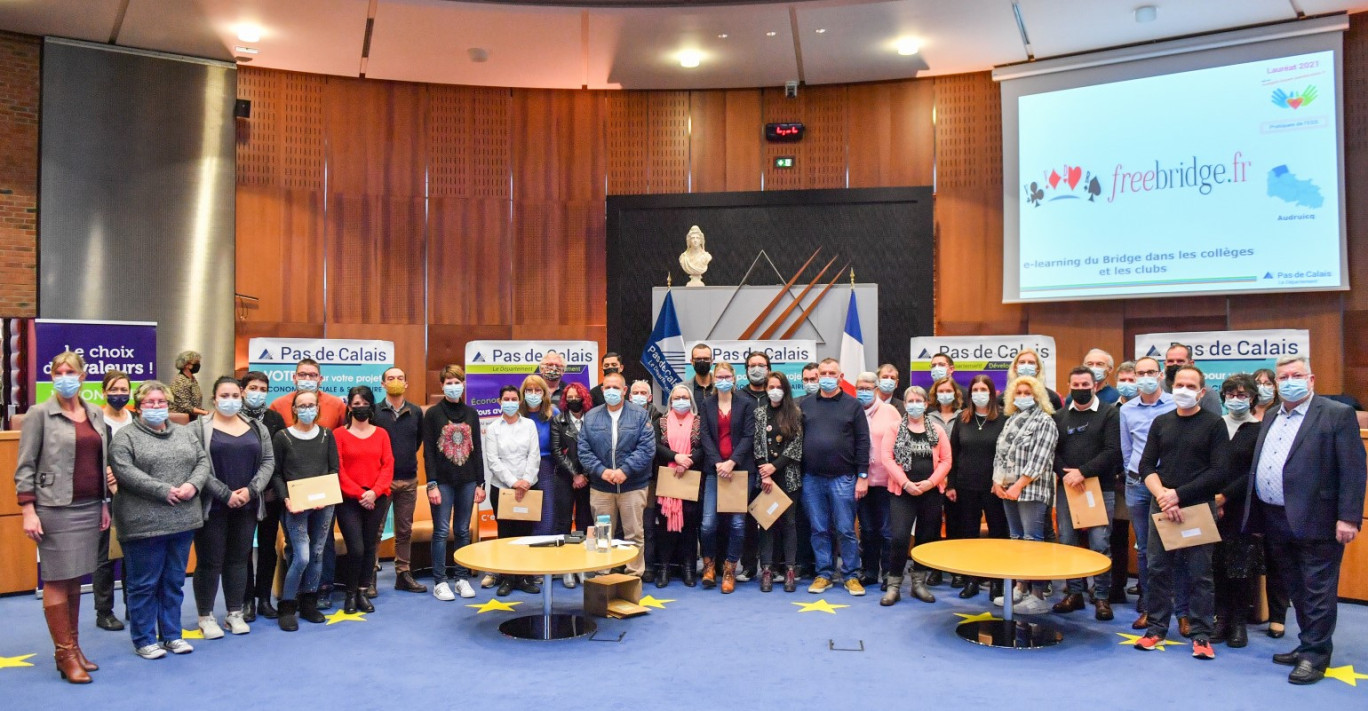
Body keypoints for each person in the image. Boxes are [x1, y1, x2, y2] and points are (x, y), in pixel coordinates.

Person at [1246, 355, 1365, 684]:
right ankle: (1306, 644)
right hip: (1276, 517)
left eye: (1295, 375)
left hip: (1319, 519)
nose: (1288, 382)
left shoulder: (1336, 414)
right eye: (1282, 377)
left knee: (1317, 591)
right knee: (1296, 588)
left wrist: (1349, 518)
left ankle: (1315, 655)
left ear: (1311, 380)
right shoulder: (1271, 416)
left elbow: (1354, 470)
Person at [14, 352, 110, 681]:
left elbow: (100, 462)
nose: (64, 376)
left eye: (71, 371)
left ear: (83, 377)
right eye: (58, 371)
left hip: (88, 507)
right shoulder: (39, 414)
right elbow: (25, 466)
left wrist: (103, 503)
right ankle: (64, 653)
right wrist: (28, 510)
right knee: (56, 579)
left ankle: (74, 646)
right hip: (53, 508)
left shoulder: (95, 413)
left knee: (74, 580)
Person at [1134, 365, 1231, 659]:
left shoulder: (1215, 424)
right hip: (1161, 505)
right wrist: (1163, 495)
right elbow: (1146, 466)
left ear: (1202, 392)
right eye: (1180, 385)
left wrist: (1178, 495)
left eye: (1191, 386)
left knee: (1200, 574)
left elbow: (1219, 471)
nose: (1184, 390)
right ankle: (1155, 629)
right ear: (1171, 386)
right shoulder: (1161, 422)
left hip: (1197, 507)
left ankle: (1201, 635)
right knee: (1158, 569)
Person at [110, 380, 210, 660]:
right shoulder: (125, 437)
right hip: (143, 523)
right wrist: (163, 490)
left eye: (161, 402)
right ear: (139, 406)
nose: (156, 407)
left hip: (183, 519)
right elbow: (125, 472)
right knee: (144, 584)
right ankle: (143, 638)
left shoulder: (185, 433)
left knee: (174, 581)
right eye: (150, 403)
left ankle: (172, 635)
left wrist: (193, 485)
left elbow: (202, 462)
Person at [192, 377, 275, 638]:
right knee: (210, 561)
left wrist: (251, 491)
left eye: (234, 396)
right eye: (224, 396)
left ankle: (234, 613)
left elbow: (268, 461)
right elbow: (196, 465)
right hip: (212, 506)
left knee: (239, 560)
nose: (230, 401)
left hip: (247, 506)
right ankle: (206, 616)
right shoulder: (198, 428)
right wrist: (225, 494)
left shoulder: (256, 427)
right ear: (214, 398)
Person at [1051, 366, 1121, 620]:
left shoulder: (1109, 414)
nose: (1081, 389)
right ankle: (1074, 594)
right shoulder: (1059, 416)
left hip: (1099, 488)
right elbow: (1053, 452)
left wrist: (1083, 472)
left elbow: (1113, 450)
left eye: (1085, 385)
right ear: (1069, 386)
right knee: (1068, 543)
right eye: (1076, 385)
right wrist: (1067, 474)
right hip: (1067, 488)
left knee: (1100, 544)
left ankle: (1101, 597)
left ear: (1095, 386)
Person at [799, 358, 870, 596]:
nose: (827, 376)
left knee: (845, 529)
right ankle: (824, 574)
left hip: (844, 478)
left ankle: (850, 575)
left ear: (841, 377)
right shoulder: (806, 405)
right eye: (823, 372)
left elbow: (863, 442)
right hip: (812, 478)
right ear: (817, 376)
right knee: (819, 529)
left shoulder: (853, 405)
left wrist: (862, 475)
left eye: (832, 373)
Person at [271, 389, 340, 631]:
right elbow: (277, 473)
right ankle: (288, 606)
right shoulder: (282, 437)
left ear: (318, 408)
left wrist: (326, 496)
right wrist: (286, 498)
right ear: (294, 409)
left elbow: (333, 470)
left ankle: (309, 602)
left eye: (312, 404)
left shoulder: (326, 435)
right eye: (302, 405)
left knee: (318, 553)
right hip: (296, 506)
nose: (307, 409)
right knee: (301, 556)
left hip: (323, 505)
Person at [1119, 356, 1177, 632]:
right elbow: (1127, 449)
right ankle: (1148, 605)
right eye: (1140, 373)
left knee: (1174, 546)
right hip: (1137, 484)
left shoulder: (1176, 404)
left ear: (1160, 374)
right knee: (1144, 548)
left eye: (1150, 372)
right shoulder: (1127, 410)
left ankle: (1182, 609)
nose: (1145, 377)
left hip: (1169, 487)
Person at [578, 372, 656, 577]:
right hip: (601, 488)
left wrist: (625, 470)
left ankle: (633, 575)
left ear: (624, 390)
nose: (611, 391)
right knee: (602, 534)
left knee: (634, 534)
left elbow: (647, 449)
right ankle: (603, 574)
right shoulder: (592, 416)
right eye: (607, 387)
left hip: (633, 486)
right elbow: (583, 450)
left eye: (616, 387)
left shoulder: (640, 415)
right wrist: (601, 471)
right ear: (602, 390)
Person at [991, 375, 1058, 614]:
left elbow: (1040, 459)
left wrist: (1018, 485)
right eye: (1018, 393)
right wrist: (997, 481)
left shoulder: (1045, 421)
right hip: (1008, 490)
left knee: (1032, 541)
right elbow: (1000, 453)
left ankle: (1038, 594)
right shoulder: (1011, 420)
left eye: (1027, 393)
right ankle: (1019, 588)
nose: (1022, 397)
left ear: (1038, 396)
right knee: (1016, 538)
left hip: (1031, 490)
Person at [879, 386, 951, 606]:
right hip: (903, 492)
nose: (915, 404)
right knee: (900, 537)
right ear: (905, 404)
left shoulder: (937, 430)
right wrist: (906, 483)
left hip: (931, 492)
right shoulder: (894, 428)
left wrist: (931, 482)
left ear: (926, 404)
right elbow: (887, 458)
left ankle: (919, 583)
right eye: (910, 400)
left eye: (919, 400)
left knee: (925, 538)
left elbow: (947, 460)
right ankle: (894, 585)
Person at [423, 365, 486, 600]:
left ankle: (461, 578)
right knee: (441, 531)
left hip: (468, 480)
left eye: (457, 381)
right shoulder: (432, 414)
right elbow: (428, 451)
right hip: (442, 482)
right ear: (441, 385)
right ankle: (440, 581)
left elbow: (477, 449)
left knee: (462, 530)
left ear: (464, 384)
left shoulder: (472, 413)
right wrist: (431, 484)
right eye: (448, 382)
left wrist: (481, 483)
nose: (453, 386)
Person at [946, 375, 1009, 600]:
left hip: (995, 488)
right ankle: (971, 580)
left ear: (992, 393)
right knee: (969, 535)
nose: (979, 393)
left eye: (984, 388)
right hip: (965, 486)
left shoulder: (1004, 419)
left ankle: (997, 583)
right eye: (975, 389)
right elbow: (953, 453)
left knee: (998, 535)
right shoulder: (962, 419)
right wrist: (951, 484)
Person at [1211, 374, 1262, 649]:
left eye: (1242, 395)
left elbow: (1253, 472)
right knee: (1216, 563)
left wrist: (1225, 497)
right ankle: (1221, 619)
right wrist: (1213, 498)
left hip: (1241, 507)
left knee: (1239, 567)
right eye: (1230, 394)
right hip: (1211, 505)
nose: (1236, 400)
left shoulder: (1259, 429)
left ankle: (1239, 623)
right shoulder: (1216, 425)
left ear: (1252, 398)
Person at [334, 386, 393, 614]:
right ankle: (349, 594)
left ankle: (362, 591)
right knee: (355, 549)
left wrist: (375, 492)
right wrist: (360, 494)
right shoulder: (339, 434)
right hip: (349, 500)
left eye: (364, 403)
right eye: (356, 404)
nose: (360, 408)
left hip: (376, 498)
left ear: (372, 406)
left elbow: (388, 465)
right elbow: (338, 469)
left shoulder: (381, 434)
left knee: (370, 548)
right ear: (349, 407)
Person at [699, 362, 756, 592]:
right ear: (714, 379)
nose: (723, 379)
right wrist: (718, 462)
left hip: (741, 471)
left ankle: (730, 569)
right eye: (719, 376)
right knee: (707, 523)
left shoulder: (746, 403)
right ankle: (709, 566)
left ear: (734, 379)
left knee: (738, 523)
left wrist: (732, 462)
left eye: (727, 376)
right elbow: (704, 435)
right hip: (715, 470)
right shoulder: (706, 403)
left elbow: (748, 436)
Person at [485, 385, 543, 596]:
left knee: (525, 534)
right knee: (506, 534)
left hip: (529, 487)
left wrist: (526, 481)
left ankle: (525, 578)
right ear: (499, 402)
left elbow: (534, 455)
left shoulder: (528, 425)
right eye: (505, 398)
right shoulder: (493, 428)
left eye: (513, 398)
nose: (509, 402)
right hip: (502, 489)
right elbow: (493, 460)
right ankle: (508, 579)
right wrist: (513, 483)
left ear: (519, 401)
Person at [239, 371, 288, 621]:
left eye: (262, 388)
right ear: (242, 390)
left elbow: (280, 458)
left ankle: (264, 599)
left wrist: (274, 490)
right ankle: (246, 600)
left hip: (269, 495)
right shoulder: (233, 418)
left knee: (268, 549)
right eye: (253, 387)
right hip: (242, 496)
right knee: (244, 549)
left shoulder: (275, 418)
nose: (257, 392)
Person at [374, 367, 426, 594]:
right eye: (390, 378)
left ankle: (403, 574)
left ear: (406, 384)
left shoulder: (416, 412)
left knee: (404, 530)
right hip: (380, 482)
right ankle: (370, 575)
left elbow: (416, 443)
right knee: (374, 530)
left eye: (400, 378)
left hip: (408, 479)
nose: (395, 381)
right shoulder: (374, 412)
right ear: (383, 384)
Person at [755, 372, 804, 593]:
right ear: (765, 388)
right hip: (766, 478)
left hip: (788, 476)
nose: (774, 390)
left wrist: (776, 466)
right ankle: (766, 569)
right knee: (767, 523)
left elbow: (796, 446)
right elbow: (756, 444)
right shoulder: (759, 413)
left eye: (779, 386)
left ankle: (790, 570)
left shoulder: (795, 413)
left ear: (785, 389)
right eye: (771, 386)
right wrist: (765, 472)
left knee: (789, 524)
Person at [1251, 366, 1289, 638]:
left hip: (1277, 500)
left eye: (1268, 382)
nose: (1264, 387)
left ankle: (1277, 615)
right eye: (1258, 383)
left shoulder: (1281, 417)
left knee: (1277, 558)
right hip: (1245, 498)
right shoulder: (1241, 414)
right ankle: (1245, 609)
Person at [652, 383, 702, 588]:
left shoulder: (699, 422)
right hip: (667, 478)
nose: (680, 401)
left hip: (691, 477)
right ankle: (664, 568)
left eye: (684, 397)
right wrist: (676, 457)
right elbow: (654, 446)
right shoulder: (660, 421)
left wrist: (689, 461)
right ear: (670, 401)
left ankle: (689, 569)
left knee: (690, 526)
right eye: (676, 398)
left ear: (690, 401)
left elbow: (705, 446)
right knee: (665, 527)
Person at [94, 370, 133, 632]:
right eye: (114, 389)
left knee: (134, 555)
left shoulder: (136, 418)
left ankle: (134, 604)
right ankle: (104, 611)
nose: (119, 394)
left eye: (123, 389)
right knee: (106, 557)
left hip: (135, 496)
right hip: (106, 497)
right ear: (103, 391)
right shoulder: (95, 420)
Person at [856, 372, 898, 588]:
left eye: (867, 388)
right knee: (868, 530)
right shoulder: (853, 411)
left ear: (876, 389)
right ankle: (870, 571)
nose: (863, 392)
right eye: (859, 388)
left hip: (887, 482)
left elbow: (900, 445)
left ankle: (889, 574)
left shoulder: (890, 412)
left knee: (887, 531)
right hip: (861, 483)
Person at [551, 382, 594, 588]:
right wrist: (575, 475)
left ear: (584, 398)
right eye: (569, 397)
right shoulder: (558, 420)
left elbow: (597, 449)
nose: (573, 400)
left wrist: (584, 474)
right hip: (565, 478)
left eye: (577, 396)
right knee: (564, 522)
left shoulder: (593, 419)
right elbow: (557, 451)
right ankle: (567, 567)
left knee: (585, 522)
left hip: (589, 478)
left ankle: (582, 566)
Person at [925, 375, 962, 587]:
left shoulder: (964, 416)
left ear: (956, 394)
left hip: (956, 481)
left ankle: (956, 570)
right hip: (933, 480)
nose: (945, 394)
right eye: (941, 391)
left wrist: (952, 482)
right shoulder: (928, 418)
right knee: (932, 526)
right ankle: (935, 569)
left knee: (956, 526)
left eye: (949, 390)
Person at [1109, 360, 1139, 603]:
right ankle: (1116, 588)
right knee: (1117, 537)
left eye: (1132, 379)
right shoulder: (1111, 410)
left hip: (1144, 483)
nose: (1127, 384)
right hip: (1117, 484)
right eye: (1124, 379)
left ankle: (1146, 593)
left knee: (1146, 539)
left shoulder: (1154, 410)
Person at [629, 378, 663, 580]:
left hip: (650, 479)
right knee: (625, 527)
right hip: (625, 479)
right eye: (636, 393)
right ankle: (626, 564)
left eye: (643, 393)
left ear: (650, 397)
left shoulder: (659, 418)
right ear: (629, 396)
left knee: (647, 525)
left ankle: (648, 565)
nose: (639, 396)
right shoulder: (621, 416)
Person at [520, 374, 559, 537]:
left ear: (544, 393)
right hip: (520, 467)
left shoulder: (553, 413)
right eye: (529, 390)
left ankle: (543, 556)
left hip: (545, 466)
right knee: (522, 512)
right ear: (523, 393)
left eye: (538, 390)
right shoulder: (516, 413)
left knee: (546, 514)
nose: (533, 394)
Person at [269, 358, 347, 430]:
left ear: (320, 379)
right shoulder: (278, 405)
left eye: (312, 375)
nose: (307, 379)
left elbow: (345, 435)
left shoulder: (337, 405)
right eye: (302, 374)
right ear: (294, 378)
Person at [1163, 343, 1222, 413]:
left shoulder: (1207, 394)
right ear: (1165, 364)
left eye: (1180, 361)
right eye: (1170, 361)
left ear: (1191, 363)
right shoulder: (1158, 389)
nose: (1175, 364)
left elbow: (1215, 421)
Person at [169, 349, 207, 418]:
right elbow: (185, 406)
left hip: (192, 417)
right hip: (182, 420)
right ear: (187, 365)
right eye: (196, 362)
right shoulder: (179, 381)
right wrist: (204, 412)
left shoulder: (192, 379)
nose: (198, 365)